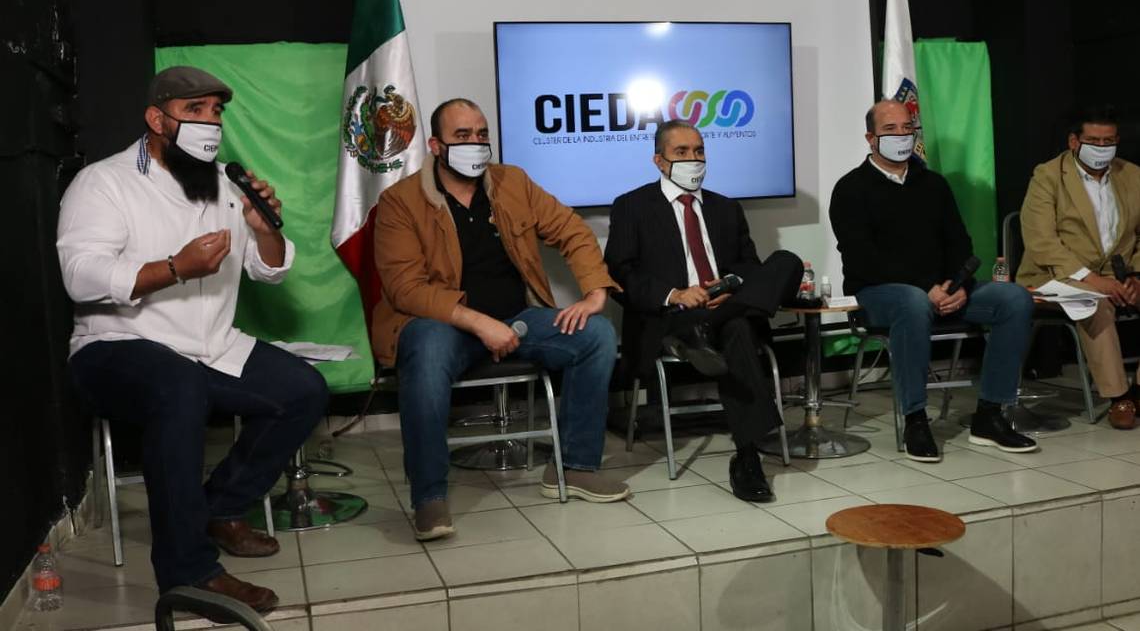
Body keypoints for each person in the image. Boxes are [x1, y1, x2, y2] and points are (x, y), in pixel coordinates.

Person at [58, 66, 329, 612]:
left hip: (211, 345)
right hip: (116, 343)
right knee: (178, 387)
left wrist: (264, 230)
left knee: (303, 390)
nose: (211, 123)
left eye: (216, 112)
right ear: (157, 120)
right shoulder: (103, 182)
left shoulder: (226, 184)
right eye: (195, 111)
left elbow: (269, 271)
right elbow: (80, 276)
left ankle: (219, 509)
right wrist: (174, 268)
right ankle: (188, 572)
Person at [372, 98, 630, 541]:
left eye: (481, 134)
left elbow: (572, 230)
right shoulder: (400, 201)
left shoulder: (513, 183)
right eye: (462, 136)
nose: (475, 144)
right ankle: (429, 496)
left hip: (519, 317)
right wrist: (478, 323)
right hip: (446, 325)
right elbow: (405, 288)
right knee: (425, 349)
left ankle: (574, 467)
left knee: (597, 335)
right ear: (435, 146)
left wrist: (595, 293)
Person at [604, 120, 804, 502]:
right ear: (659, 161)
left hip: (723, 306)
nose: (693, 159)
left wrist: (730, 287)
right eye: (681, 152)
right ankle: (747, 457)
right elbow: (620, 274)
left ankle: (746, 452)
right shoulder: (632, 206)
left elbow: (749, 266)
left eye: (698, 151)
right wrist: (675, 294)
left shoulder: (726, 207)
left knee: (787, 262)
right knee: (740, 329)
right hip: (673, 318)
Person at [829, 99, 1037, 462]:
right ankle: (915, 419)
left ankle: (990, 414)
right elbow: (864, 259)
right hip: (878, 293)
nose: (901, 135)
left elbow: (960, 244)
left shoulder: (933, 184)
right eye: (890, 129)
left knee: (1014, 298)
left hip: (942, 290)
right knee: (912, 301)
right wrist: (927, 288)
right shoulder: (850, 188)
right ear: (870, 138)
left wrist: (957, 286)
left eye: (907, 128)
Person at [1018, 105, 1140, 428]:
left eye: (1108, 141)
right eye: (1094, 141)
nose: (1102, 148)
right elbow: (1041, 242)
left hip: (1119, 274)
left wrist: (1136, 276)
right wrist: (1092, 279)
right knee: (1094, 303)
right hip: (1056, 276)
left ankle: (1139, 390)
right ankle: (1119, 397)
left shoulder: (1132, 175)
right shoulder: (1047, 176)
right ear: (1074, 141)